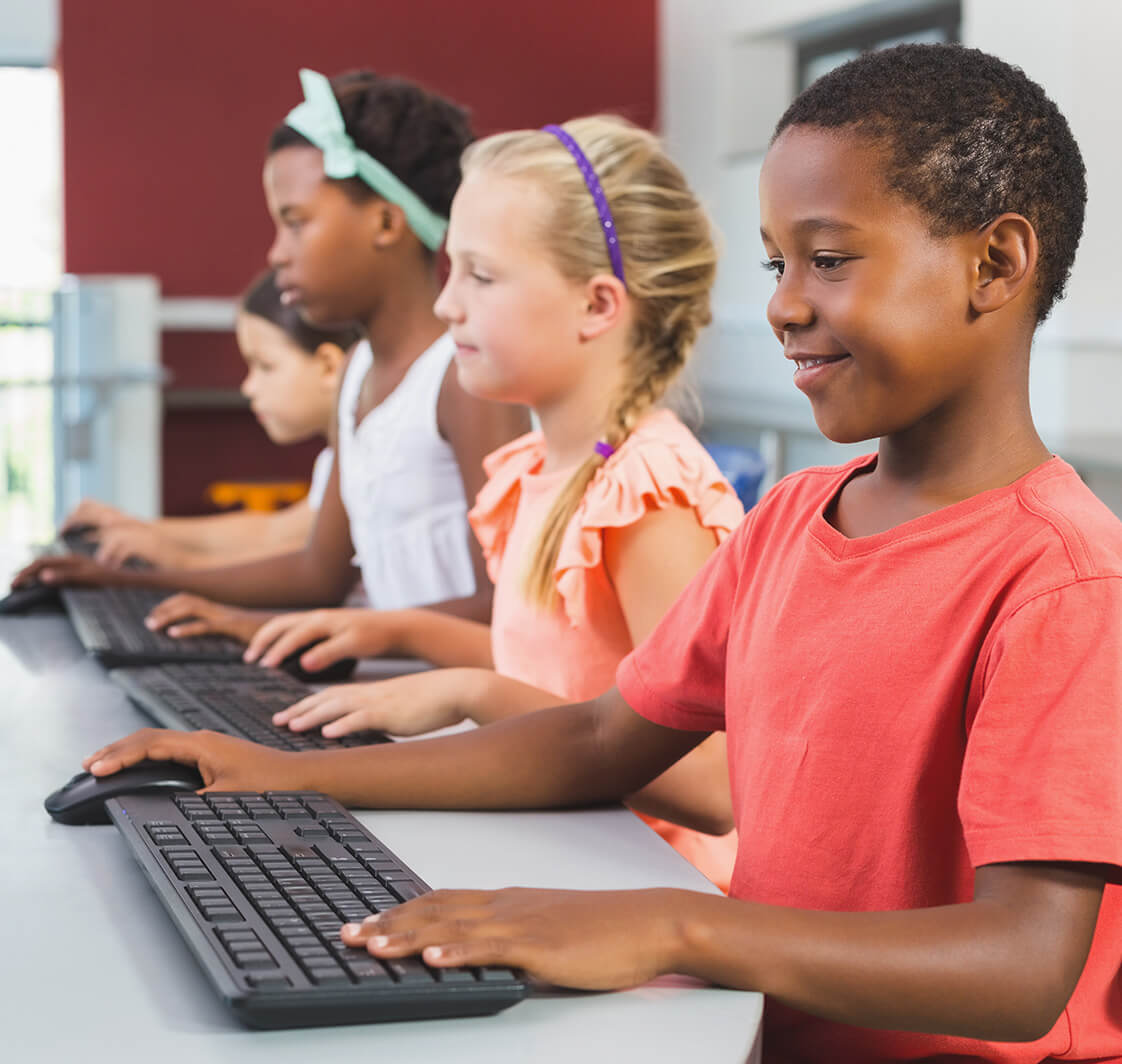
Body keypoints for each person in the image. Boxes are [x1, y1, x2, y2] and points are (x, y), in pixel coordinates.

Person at [81, 44, 1122, 1062]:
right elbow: (597, 739)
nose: (783, 304)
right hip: (758, 1031)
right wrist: (283, 774)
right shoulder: (791, 520)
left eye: (830, 259)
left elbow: (1022, 966)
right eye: (776, 261)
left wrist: (678, 925)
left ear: (997, 261)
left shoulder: (1062, 580)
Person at [233, 116, 744, 883]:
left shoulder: (648, 495)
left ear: (598, 305)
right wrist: (397, 634)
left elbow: (714, 786)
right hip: (566, 855)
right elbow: (558, 671)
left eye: (481, 275)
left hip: (651, 891)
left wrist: (473, 693)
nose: (447, 307)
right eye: (451, 272)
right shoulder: (543, 468)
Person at [15, 68, 529, 632]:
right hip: (386, 694)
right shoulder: (358, 374)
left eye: (296, 223)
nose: (277, 253)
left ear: (386, 221)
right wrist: (128, 583)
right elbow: (317, 573)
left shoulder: (462, 377)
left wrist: (281, 628)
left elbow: (504, 604)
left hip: (450, 715)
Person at [61, 269, 360, 571]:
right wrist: (136, 528)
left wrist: (178, 561)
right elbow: (273, 532)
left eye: (265, 366)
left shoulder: (364, 461)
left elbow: (298, 557)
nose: (248, 387)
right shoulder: (337, 459)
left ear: (328, 367)